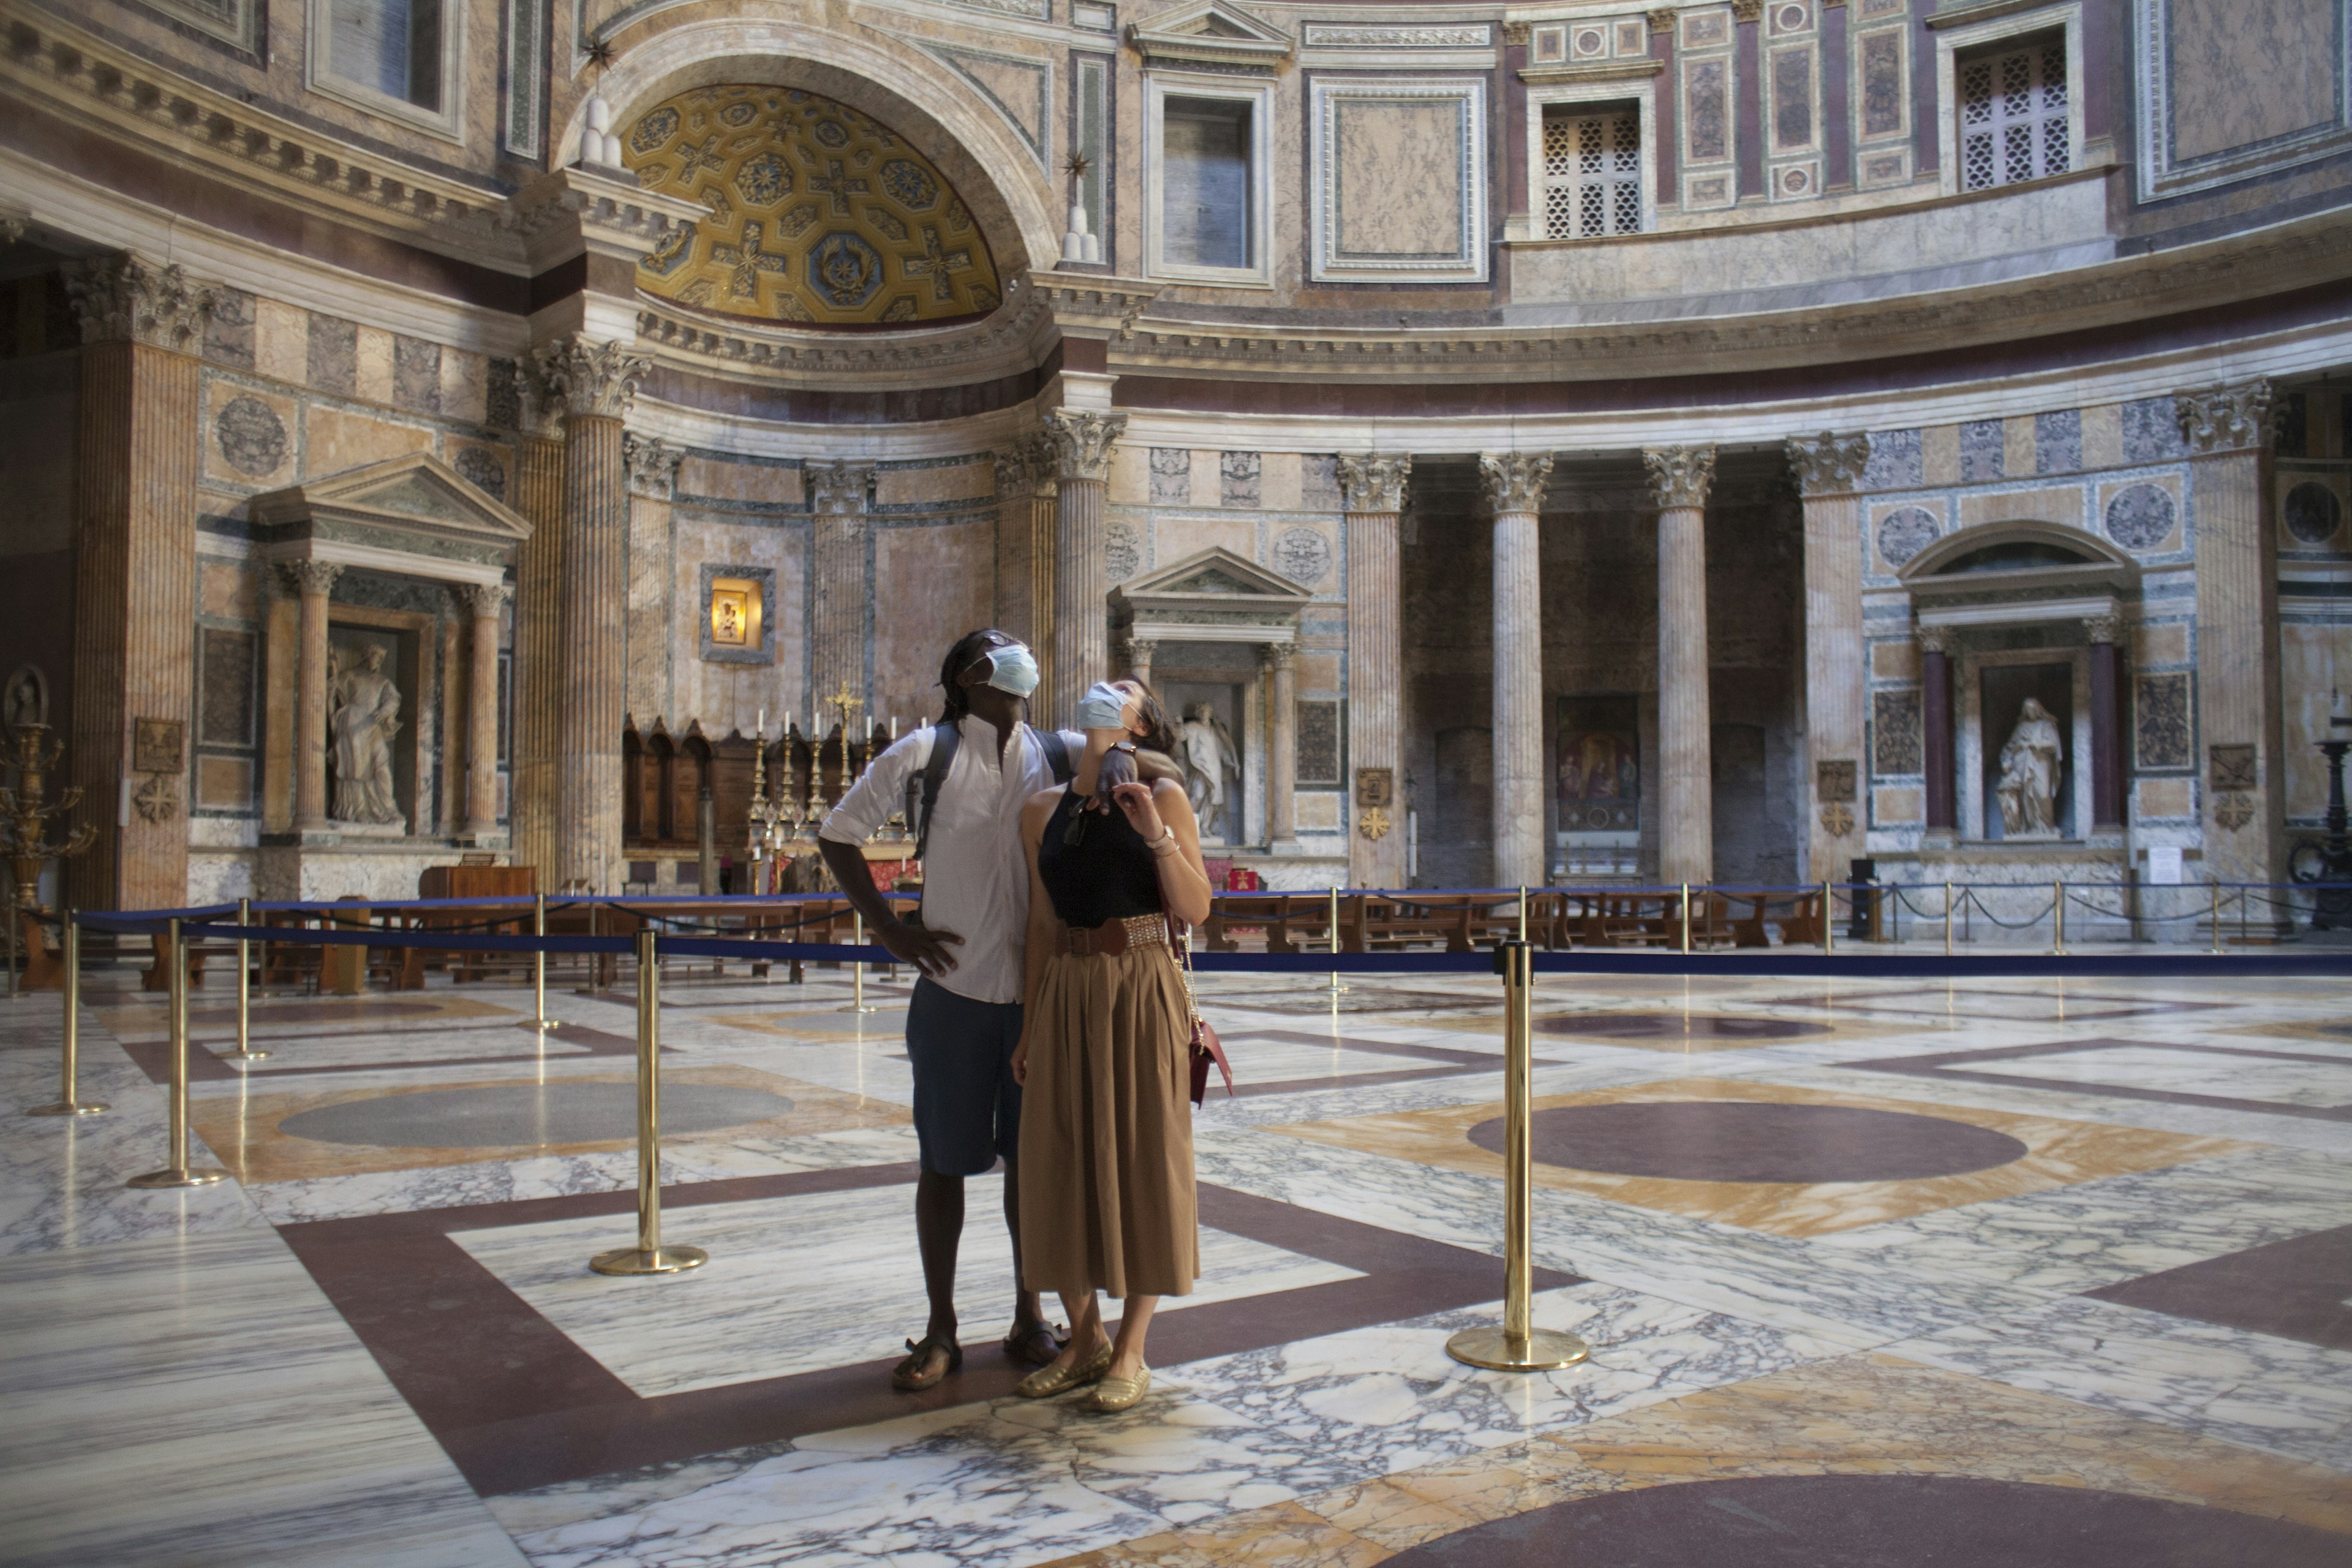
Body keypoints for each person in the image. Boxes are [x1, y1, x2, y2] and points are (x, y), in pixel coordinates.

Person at [818, 630, 1080, 1390]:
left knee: (1032, 1165)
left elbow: (1145, 756)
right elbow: (838, 834)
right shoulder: (923, 753)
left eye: (1020, 652)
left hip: (1035, 997)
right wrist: (888, 927)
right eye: (998, 654)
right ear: (965, 677)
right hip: (954, 993)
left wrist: (1128, 752)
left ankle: (1030, 1315)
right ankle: (941, 1327)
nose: (1018, 662)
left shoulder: (1058, 753)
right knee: (944, 1163)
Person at [1010, 677, 1213, 1414]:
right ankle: (1086, 1337)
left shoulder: (1165, 798)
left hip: (1142, 984)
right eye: (1101, 684)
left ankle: (1132, 1347)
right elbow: (1037, 923)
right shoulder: (1041, 810)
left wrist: (1150, 828)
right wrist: (1030, 1025)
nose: (1105, 691)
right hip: (1066, 985)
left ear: (1141, 722)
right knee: (1058, 1158)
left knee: (1146, 1157)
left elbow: (1196, 909)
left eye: (1122, 690)